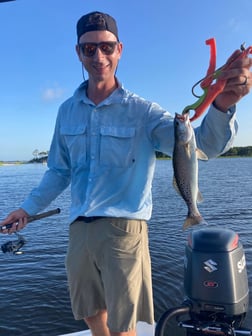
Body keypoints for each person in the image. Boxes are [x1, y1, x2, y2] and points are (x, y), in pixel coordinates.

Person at [1, 11, 252, 336]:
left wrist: (223, 103)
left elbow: (204, 144)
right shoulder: (66, 111)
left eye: (106, 47)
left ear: (119, 49)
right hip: (79, 231)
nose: (99, 56)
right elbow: (58, 171)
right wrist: (26, 209)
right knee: (90, 313)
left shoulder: (143, 112)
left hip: (124, 230)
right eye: (89, 49)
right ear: (78, 52)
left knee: (124, 326)